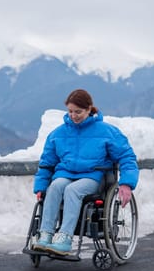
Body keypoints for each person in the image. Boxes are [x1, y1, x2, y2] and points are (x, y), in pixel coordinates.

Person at [32, 89, 139, 255]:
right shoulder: (58, 133)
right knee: (54, 187)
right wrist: (40, 186)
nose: (73, 116)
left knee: (72, 190)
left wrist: (126, 183)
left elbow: (126, 156)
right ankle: (45, 234)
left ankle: (65, 238)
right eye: (70, 111)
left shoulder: (107, 131)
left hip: (93, 176)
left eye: (78, 112)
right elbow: (46, 163)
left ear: (89, 109)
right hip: (65, 174)